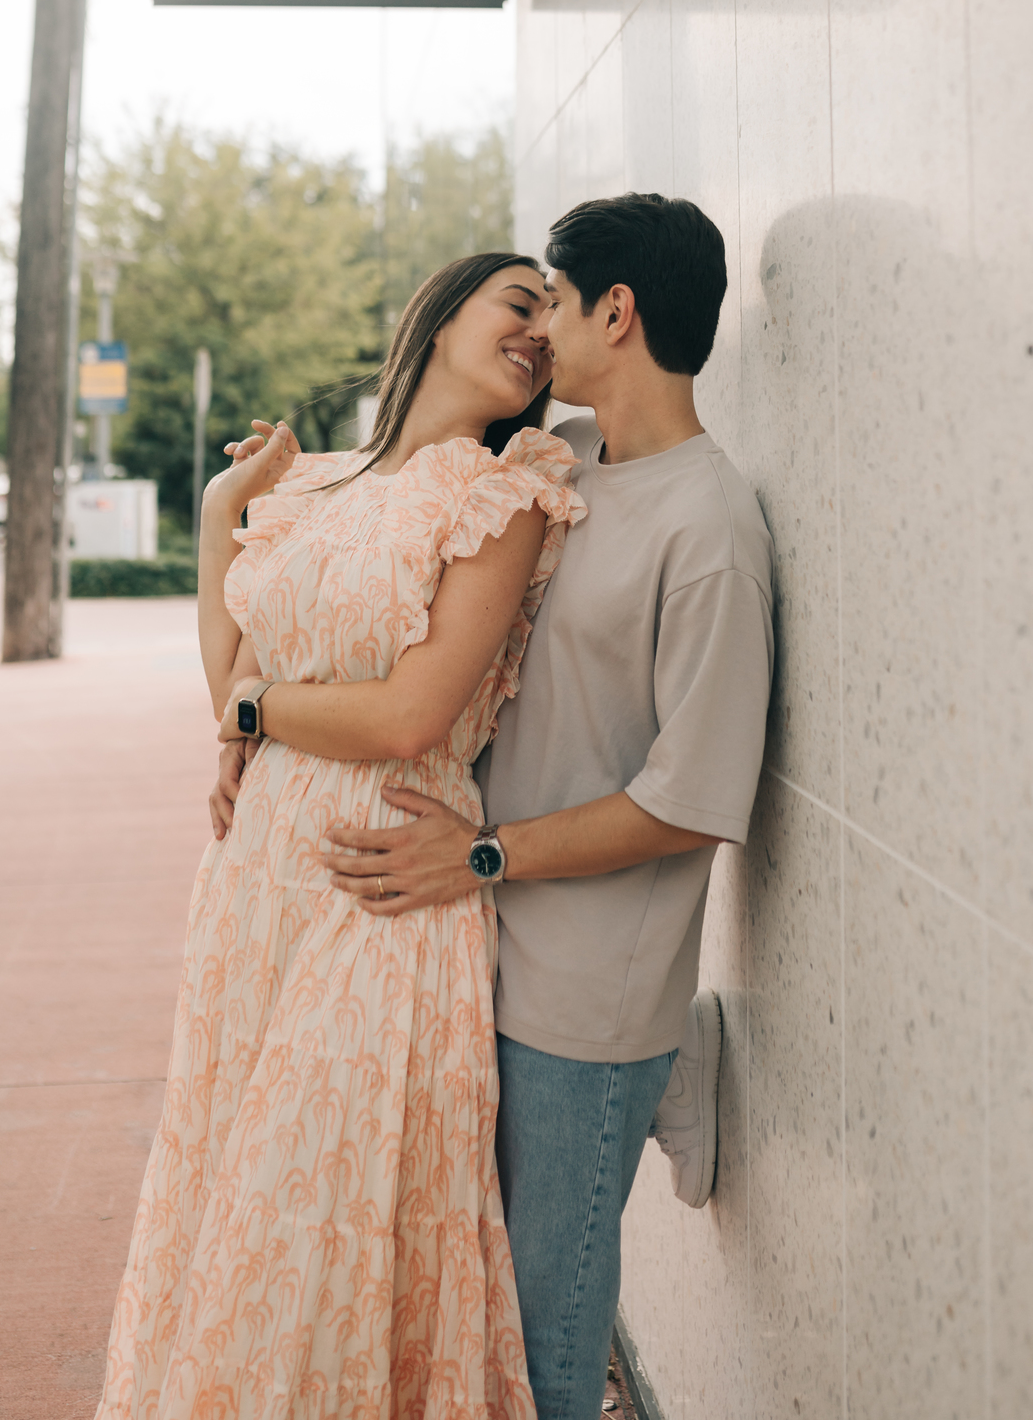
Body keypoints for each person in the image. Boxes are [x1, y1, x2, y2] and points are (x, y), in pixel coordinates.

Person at [95, 252, 588, 1420]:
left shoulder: (501, 495)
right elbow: (229, 670)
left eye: (551, 321)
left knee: (316, 1207)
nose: (537, 334)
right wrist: (226, 510)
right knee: (237, 1178)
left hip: (385, 879)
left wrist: (265, 712)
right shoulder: (314, 486)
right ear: (440, 307)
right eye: (519, 302)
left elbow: (410, 711)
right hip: (257, 882)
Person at [314, 194, 775, 1420]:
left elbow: (691, 802)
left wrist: (473, 853)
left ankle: (666, 1052)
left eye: (553, 303)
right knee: (465, 1309)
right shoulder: (557, 456)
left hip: (583, 998)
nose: (539, 332)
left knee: (548, 1342)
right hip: (482, 942)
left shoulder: (710, 526)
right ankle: (684, 1062)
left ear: (615, 311)